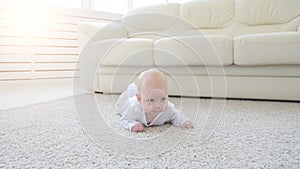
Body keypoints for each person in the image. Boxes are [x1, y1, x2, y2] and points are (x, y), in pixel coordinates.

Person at [115, 68, 193, 132]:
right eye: (151, 100)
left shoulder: (168, 108)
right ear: (139, 99)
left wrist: (184, 121)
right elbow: (124, 119)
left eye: (163, 99)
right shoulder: (133, 108)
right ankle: (132, 90)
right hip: (126, 103)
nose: (158, 105)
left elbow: (176, 115)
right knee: (120, 107)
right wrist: (132, 125)